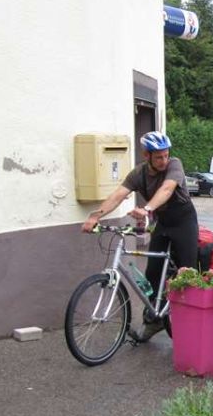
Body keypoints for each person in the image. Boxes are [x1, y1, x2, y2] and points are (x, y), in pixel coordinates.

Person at [82, 131, 199, 342]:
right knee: (152, 273)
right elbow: (118, 195)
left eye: (166, 155)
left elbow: (167, 189)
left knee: (188, 273)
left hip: (184, 221)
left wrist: (146, 209)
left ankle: (192, 326)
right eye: (158, 157)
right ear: (146, 155)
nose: (164, 160)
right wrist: (95, 216)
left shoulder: (174, 165)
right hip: (163, 223)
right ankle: (153, 321)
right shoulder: (139, 174)